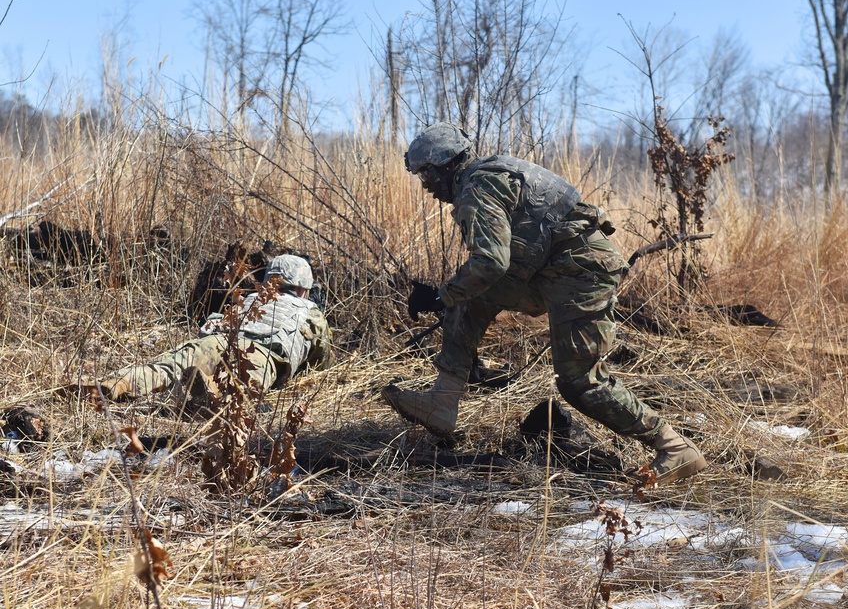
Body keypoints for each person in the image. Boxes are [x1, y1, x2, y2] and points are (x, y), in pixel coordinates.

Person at [382, 122, 707, 484]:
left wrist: (441, 296)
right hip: (554, 272)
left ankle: (675, 448)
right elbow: (495, 266)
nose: (425, 186)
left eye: (425, 174)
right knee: (470, 294)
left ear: (443, 166)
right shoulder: (488, 173)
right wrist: (452, 294)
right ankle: (443, 403)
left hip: (582, 276)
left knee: (579, 381)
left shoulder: (477, 188)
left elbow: (490, 262)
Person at [85, 254, 333, 411]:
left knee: (166, 368)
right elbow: (321, 361)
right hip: (259, 354)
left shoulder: (251, 299)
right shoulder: (309, 310)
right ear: (303, 289)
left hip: (216, 340)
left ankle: (115, 383)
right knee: (241, 393)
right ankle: (209, 393)